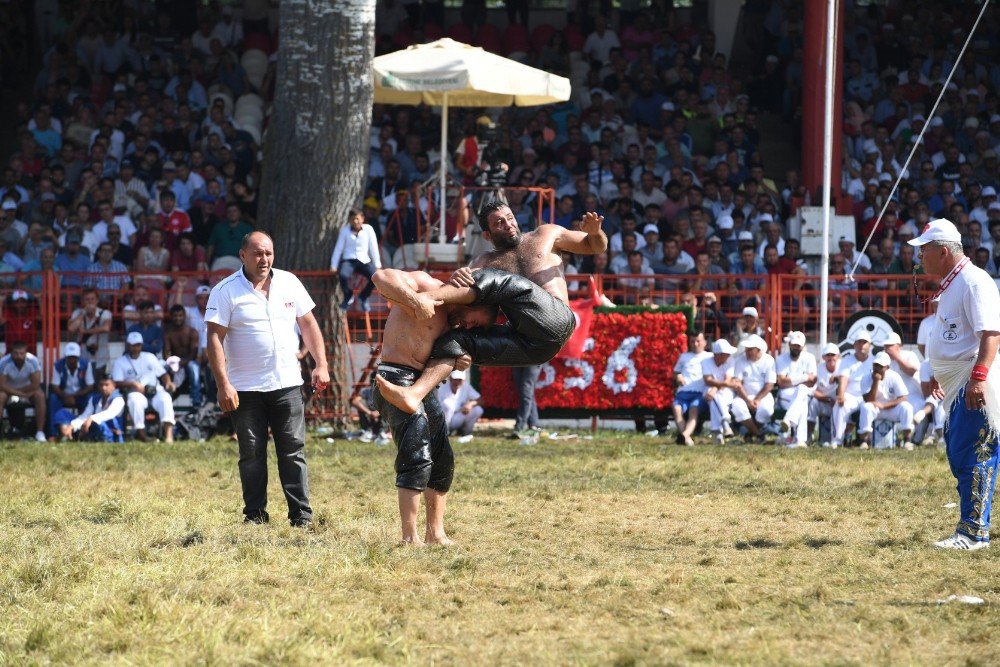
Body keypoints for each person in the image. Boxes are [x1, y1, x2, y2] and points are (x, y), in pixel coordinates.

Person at [375, 204, 608, 420]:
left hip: (557, 318)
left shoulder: (545, 234)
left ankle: (424, 300)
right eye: (499, 223)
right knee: (457, 340)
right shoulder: (484, 261)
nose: (508, 225)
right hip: (535, 347)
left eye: (510, 218)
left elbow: (594, 246)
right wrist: (459, 278)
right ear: (487, 235)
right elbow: (465, 304)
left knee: (492, 278)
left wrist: (595, 233)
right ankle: (414, 394)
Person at [206, 232, 330, 527]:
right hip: (245, 388)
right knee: (251, 454)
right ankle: (255, 516)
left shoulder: (289, 282)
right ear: (242, 255)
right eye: (258, 253)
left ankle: (301, 516)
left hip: (287, 383)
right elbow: (213, 339)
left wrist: (321, 364)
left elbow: (309, 324)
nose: (264, 259)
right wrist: (223, 384)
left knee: (293, 450)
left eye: (269, 253)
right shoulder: (224, 291)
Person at [369, 266, 496, 545]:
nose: (470, 327)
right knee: (416, 456)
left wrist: (458, 358)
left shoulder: (454, 326)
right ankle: (409, 537)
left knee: (442, 460)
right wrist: (416, 300)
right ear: (469, 300)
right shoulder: (428, 285)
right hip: (394, 378)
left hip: (422, 386)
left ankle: (435, 534)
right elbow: (380, 278)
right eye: (475, 321)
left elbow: (441, 354)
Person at [907, 219, 1000, 550]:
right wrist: (940, 373)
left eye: (924, 251)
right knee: (961, 453)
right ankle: (971, 529)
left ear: (943, 252)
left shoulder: (973, 283)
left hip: (971, 382)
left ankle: (974, 533)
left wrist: (978, 378)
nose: (920, 258)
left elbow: (990, 333)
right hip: (957, 382)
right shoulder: (955, 283)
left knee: (974, 453)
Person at [111, 331, 177, 443]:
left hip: (154, 390)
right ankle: (142, 435)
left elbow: (163, 374)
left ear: (141, 345)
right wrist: (132, 384)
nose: (136, 348)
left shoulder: (150, 357)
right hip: (135, 392)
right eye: (133, 345)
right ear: (128, 345)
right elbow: (116, 382)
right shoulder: (120, 362)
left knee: (165, 398)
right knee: (135, 401)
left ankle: (169, 436)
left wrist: (168, 382)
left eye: (138, 345)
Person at [858, 351, 915, 450]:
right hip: (875, 409)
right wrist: (876, 381)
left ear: (887, 367)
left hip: (891, 409)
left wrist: (885, 406)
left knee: (907, 407)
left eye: (880, 366)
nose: (877, 368)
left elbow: (903, 397)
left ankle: (907, 440)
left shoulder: (894, 376)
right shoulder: (866, 378)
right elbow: (868, 400)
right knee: (865, 407)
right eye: (876, 365)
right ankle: (864, 441)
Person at [330, 208, 381, 312]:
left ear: (362, 219)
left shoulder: (368, 229)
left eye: (357, 219)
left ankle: (363, 296)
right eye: (353, 219)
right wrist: (333, 265)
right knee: (343, 275)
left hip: (364, 260)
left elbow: (373, 247)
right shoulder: (345, 231)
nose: (355, 221)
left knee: (375, 278)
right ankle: (348, 295)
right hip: (349, 259)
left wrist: (377, 265)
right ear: (349, 220)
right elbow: (338, 248)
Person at [832, 331, 874, 449]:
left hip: (868, 396)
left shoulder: (874, 361)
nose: (861, 345)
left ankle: (865, 440)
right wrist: (841, 394)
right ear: (854, 345)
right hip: (850, 395)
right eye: (859, 342)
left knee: (869, 407)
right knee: (839, 405)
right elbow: (843, 379)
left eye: (864, 342)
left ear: (869, 345)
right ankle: (838, 440)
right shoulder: (847, 360)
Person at [775, 331, 817, 449]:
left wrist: (791, 380)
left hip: (802, 394)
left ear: (803, 346)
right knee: (802, 399)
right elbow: (781, 382)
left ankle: (789, 420)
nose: (796, 348)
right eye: (794, 345)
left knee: (802, 389)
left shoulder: (810, 358)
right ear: (789, 344)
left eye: (798, 345)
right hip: (785, 396)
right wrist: (804, 377)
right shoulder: (781, 359)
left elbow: (812, 381)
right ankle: (800, 440)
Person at [731, 335, 776, 441]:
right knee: (737, 408)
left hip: (762, 395)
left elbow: (769, 384)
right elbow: (738, 383)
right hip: (744, 395)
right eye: (746, 349)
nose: (746, 351)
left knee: (766, 410)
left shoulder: (769, 360)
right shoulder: (739, 360)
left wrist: (757, 399)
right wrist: (747, 400)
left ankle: (750, 434)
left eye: (750, 349)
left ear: (758, 350)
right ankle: (758, 434)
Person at [0, 341, 47, 441]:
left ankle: (40, 432)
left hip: (28, 389)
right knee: (1, 396)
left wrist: (21, 393)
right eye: (16, 353)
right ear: (11, 353)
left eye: (21, 353)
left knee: (40, 395)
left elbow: (35, 384)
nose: (19, 356)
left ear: (26, 353)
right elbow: (1, 385)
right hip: (8, 391)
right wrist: (19, 394)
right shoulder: (3, 362)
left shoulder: (33, 361)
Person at [671, 331, 711, 446]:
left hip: (699, 393)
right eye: (693, 341)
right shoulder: (684, 356)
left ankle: (684, 435)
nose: (695, 344)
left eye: (698, 341)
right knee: (676, 409)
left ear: (704, 342)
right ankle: (687, 438)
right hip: (683, 392)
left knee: (694, 410)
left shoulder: (709, 357)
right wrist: (678, 376)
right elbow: (675, 372)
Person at [59, 375, 126, 442]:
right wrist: (72, 426)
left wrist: (91, 419)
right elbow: (85, 415)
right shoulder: (94, 399)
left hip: (112, 434)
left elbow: (109, 413)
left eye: (107, 385)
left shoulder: (118, 399)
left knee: (97, 423)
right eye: (101, 385)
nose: (103, 388)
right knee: (62, 413)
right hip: (92, 428)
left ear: (113, 385)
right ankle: (66, 435)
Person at [48, 342, 94, 437]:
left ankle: (86, 431)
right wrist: (65, 396)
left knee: (90, 399)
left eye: (74, 357)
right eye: (69, 357)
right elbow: (55, 386)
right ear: (65, 357)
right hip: (63, 395)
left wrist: (75, 396)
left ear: (78, 357)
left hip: (80, 395)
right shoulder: (58, 365)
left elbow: (90, 385)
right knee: (53, 399)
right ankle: (54, 433)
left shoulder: (86, 364)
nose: (72, 360)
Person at [67, 288, 113, 376]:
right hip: (82, 357)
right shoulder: (77, 313)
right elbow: (71, 328)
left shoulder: (105, 313)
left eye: (92, 299)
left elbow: (106, 328)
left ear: (97, 300)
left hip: (100, 358)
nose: (90, 302)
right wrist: (83, 313)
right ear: (83, 301)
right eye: (87, 299)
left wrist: (85, 331)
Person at [163, 304, 202, 408]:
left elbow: (193, 353)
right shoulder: (168, 333)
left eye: (180, 315)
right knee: (162, 367)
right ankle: (164, 399)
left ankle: (196, 401)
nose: (178, 318)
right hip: (174, 363)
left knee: (193, 367)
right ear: (171, 317)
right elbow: (166, 352)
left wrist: (181, 363)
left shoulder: (192, 332)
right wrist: (171, 362)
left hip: (189, 361)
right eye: (175, 316)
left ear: (184, 316)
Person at [702, 338, 739, 444]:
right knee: (713, 397)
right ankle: (725, 421)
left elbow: (727, 380)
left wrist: (714, 388)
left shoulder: (731, 360)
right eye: (726, 353)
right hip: (709, 390)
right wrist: (714, 388)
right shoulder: (706, 362)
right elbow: (707, 380)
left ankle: (717, 431)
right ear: (719, 355)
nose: (728, 356)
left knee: (714, 398)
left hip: (725, 392)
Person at [809, 343, 843, 448]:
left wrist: (838, 380)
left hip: (838, 402)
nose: (831, 358)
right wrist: (828, 399)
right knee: (812, 403)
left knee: (842, 407)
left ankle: (838, 440)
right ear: (823, 357)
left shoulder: (843, 367)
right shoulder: (818, 369)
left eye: (833, 355)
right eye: (828, 355)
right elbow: (812, 390)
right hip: (823, 401)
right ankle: (808, 436)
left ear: (838, 356)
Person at [436, 369, 483, 444]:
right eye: (455, 379)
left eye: (460, 380)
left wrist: (469, 404)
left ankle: (466, 433)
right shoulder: (442, 388)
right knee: (447, 404)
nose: (457, 382)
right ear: (450, 378)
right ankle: (444, 432)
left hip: (458, 417)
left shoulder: (466, 386)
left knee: (478, 410)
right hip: (443, 420)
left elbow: (480, 400)